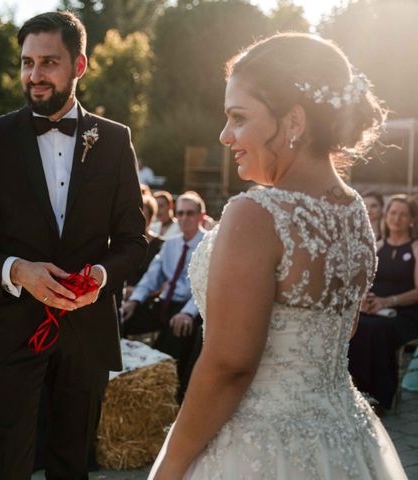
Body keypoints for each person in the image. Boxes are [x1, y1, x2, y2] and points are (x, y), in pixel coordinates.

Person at [150, 33, 406, 479]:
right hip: (345, 437)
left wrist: (169, 466)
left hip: (258, 447)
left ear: (293, 121)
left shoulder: (255, 214)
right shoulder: (354, 213)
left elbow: (230, 365)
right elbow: (339, 334)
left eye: (239, 117)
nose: (225, 135)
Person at [0, 11, 146, 479]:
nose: (34, 76)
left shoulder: (115, 141)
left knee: (71, 466)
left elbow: (133, 241)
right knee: (4, 468)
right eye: (26, 63)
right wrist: (18, 271)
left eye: (49, 62)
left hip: (86, 337)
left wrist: (99, 276)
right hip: (14, 334)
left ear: (79, 66)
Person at [122, 191, 206, 400]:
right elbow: (152, 277)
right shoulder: (171, 244)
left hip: (191, 307)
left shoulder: (209, 245)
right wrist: (133, 301)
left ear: (201, 216)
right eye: (181, 214)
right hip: (164, 304)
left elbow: (207, 286)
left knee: (176, 333)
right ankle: (121, 377)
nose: (185, 218)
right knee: (122, 318)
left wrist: (187, 313)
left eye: (190, 213)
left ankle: (172, 396)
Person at [349, 195, 418, 411]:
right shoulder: (377, 247)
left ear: (411, 220)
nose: (396, 218)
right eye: (393, 213)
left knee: (378, 330)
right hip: (374, 310)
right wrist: (364, 301)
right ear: (386, 216)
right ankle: (356, 389)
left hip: (404, 314)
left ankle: (379, 397)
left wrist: (389, 301)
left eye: (403, 214)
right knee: (356, 325)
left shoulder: (415, 249)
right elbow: (364, 283)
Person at [123, 192, 164, 302]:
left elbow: (162, 283)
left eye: (142, 216)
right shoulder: (122, 244)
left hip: (146, 302)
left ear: (151, 218)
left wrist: (137, 291)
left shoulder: (161, 245)